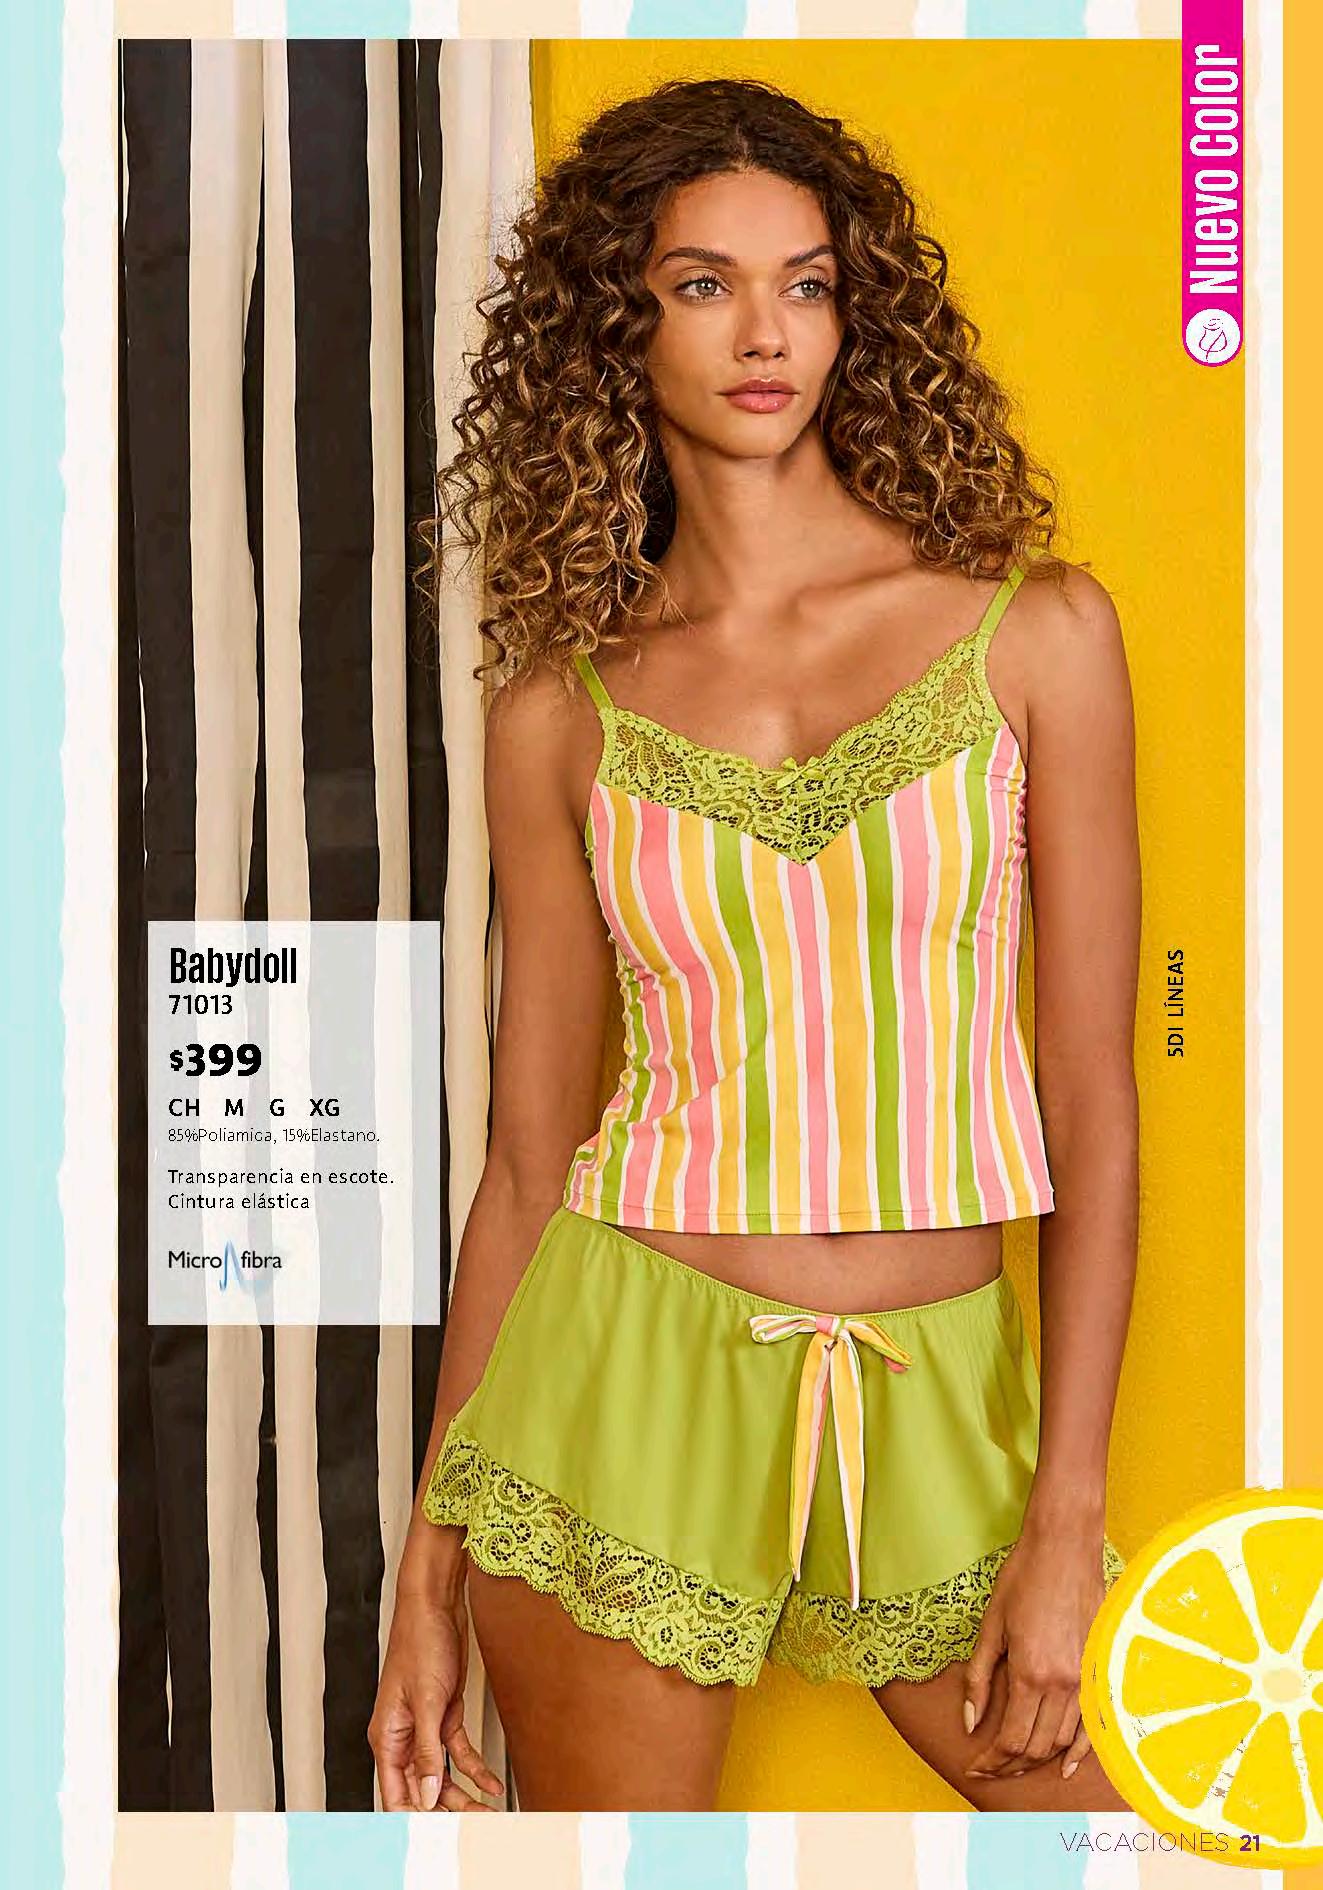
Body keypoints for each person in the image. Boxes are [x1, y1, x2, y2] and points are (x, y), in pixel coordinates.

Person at [369, 76, 1140, 1814]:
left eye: (806, 282)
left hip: (939, 1386)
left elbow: (1095, 1103)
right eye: (703, 284)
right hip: (619, 1383)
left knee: (1103, 1846)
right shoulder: (560, 707)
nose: (765, 331)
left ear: (858, 318)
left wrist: (1069, 1508)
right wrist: (428, 1571)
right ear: (617, 326)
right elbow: (526, 1161)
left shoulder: (1035, 636)